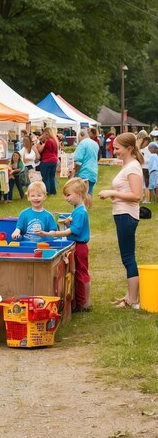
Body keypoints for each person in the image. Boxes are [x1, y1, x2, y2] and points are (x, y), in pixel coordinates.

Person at [98, 133, 144, 309]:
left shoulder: (133, 167)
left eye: (117, 148)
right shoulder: (128, 166)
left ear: (129, 148)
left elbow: (136, 195)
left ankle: (132, 299)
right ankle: (129, 295)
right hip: (122, 214)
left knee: (128, 258)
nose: (114, 151)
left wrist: (112, 193)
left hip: (127, 215)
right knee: (127, 257)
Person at [38, 178, 91, 312]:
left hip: (80, 246)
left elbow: (74, 231)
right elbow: (74, 226)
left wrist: (55, 233)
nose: (66, 198)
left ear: (79, 194)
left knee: (80, 274)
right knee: (78, 273)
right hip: (77, 245)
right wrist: (68, 222)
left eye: (68, 195)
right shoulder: (77, 209)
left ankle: (83, 303)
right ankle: (82, 301)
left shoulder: (79, 212)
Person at [73, 129, 99, 209]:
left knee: (82, 193)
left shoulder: (82, 144)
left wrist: (75, 172)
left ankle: (83, 208)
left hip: (84, 171)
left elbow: (78, 161)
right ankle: (89, 208)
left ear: (81, 135)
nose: (78, 140)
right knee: (90, 192)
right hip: (93, 171)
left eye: (78, 138)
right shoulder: (95, 144)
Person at [38, 127, 59, 195]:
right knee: (51, 177)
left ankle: (47, 192)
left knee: (45, 178)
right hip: (54, 161)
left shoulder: (48, 141)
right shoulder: (55, 141)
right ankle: (53, 191)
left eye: (43, 133)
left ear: (46, 133)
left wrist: (40, 141)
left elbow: (40, 150)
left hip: (46, 161)